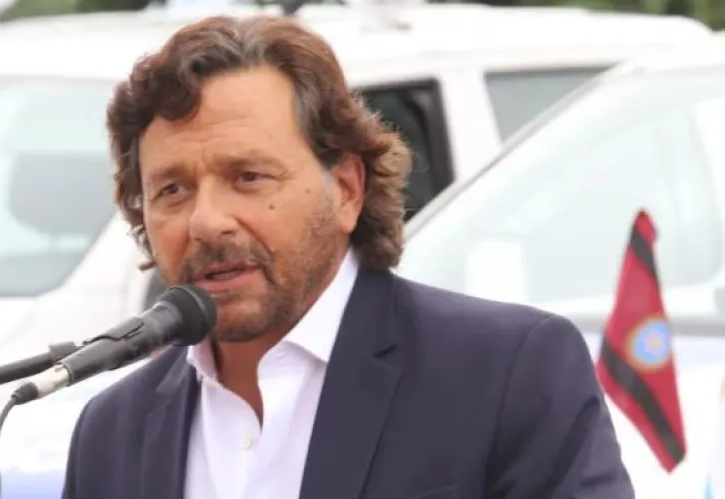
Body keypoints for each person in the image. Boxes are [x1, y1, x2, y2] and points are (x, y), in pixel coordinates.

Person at [62, 14, 634, 499]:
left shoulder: (507, 374)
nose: (207, 220)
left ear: (346, 190)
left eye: (249, 177)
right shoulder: (112, 433)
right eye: (172, 190)